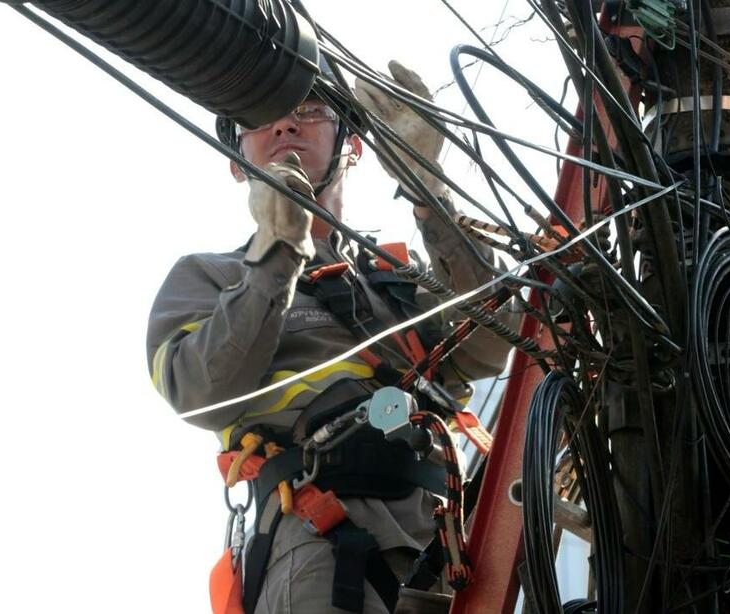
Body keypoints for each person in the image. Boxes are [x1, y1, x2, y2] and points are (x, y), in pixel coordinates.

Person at [146, 59, 512, 613]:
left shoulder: (399, 282)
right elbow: (200, 390)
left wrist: (427, 184)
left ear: (355, 145)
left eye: (310, 110)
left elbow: (497, 343)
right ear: (237, 162)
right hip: (319, 538)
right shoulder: (210, 278)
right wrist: (277, 253)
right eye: (261, 117)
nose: (286, 126)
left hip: (453, 540)